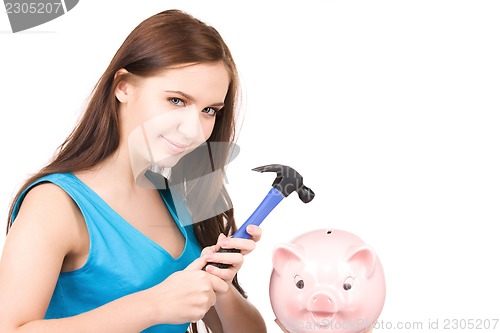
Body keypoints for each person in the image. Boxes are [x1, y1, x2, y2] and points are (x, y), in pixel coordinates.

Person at [0, 9, 267, 333]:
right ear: (123, 87)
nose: (194, 130)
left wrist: (218, 282)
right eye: (177, 100)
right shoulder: (55, 204)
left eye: (209, 110)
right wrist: (152, 306)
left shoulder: (180, 196)